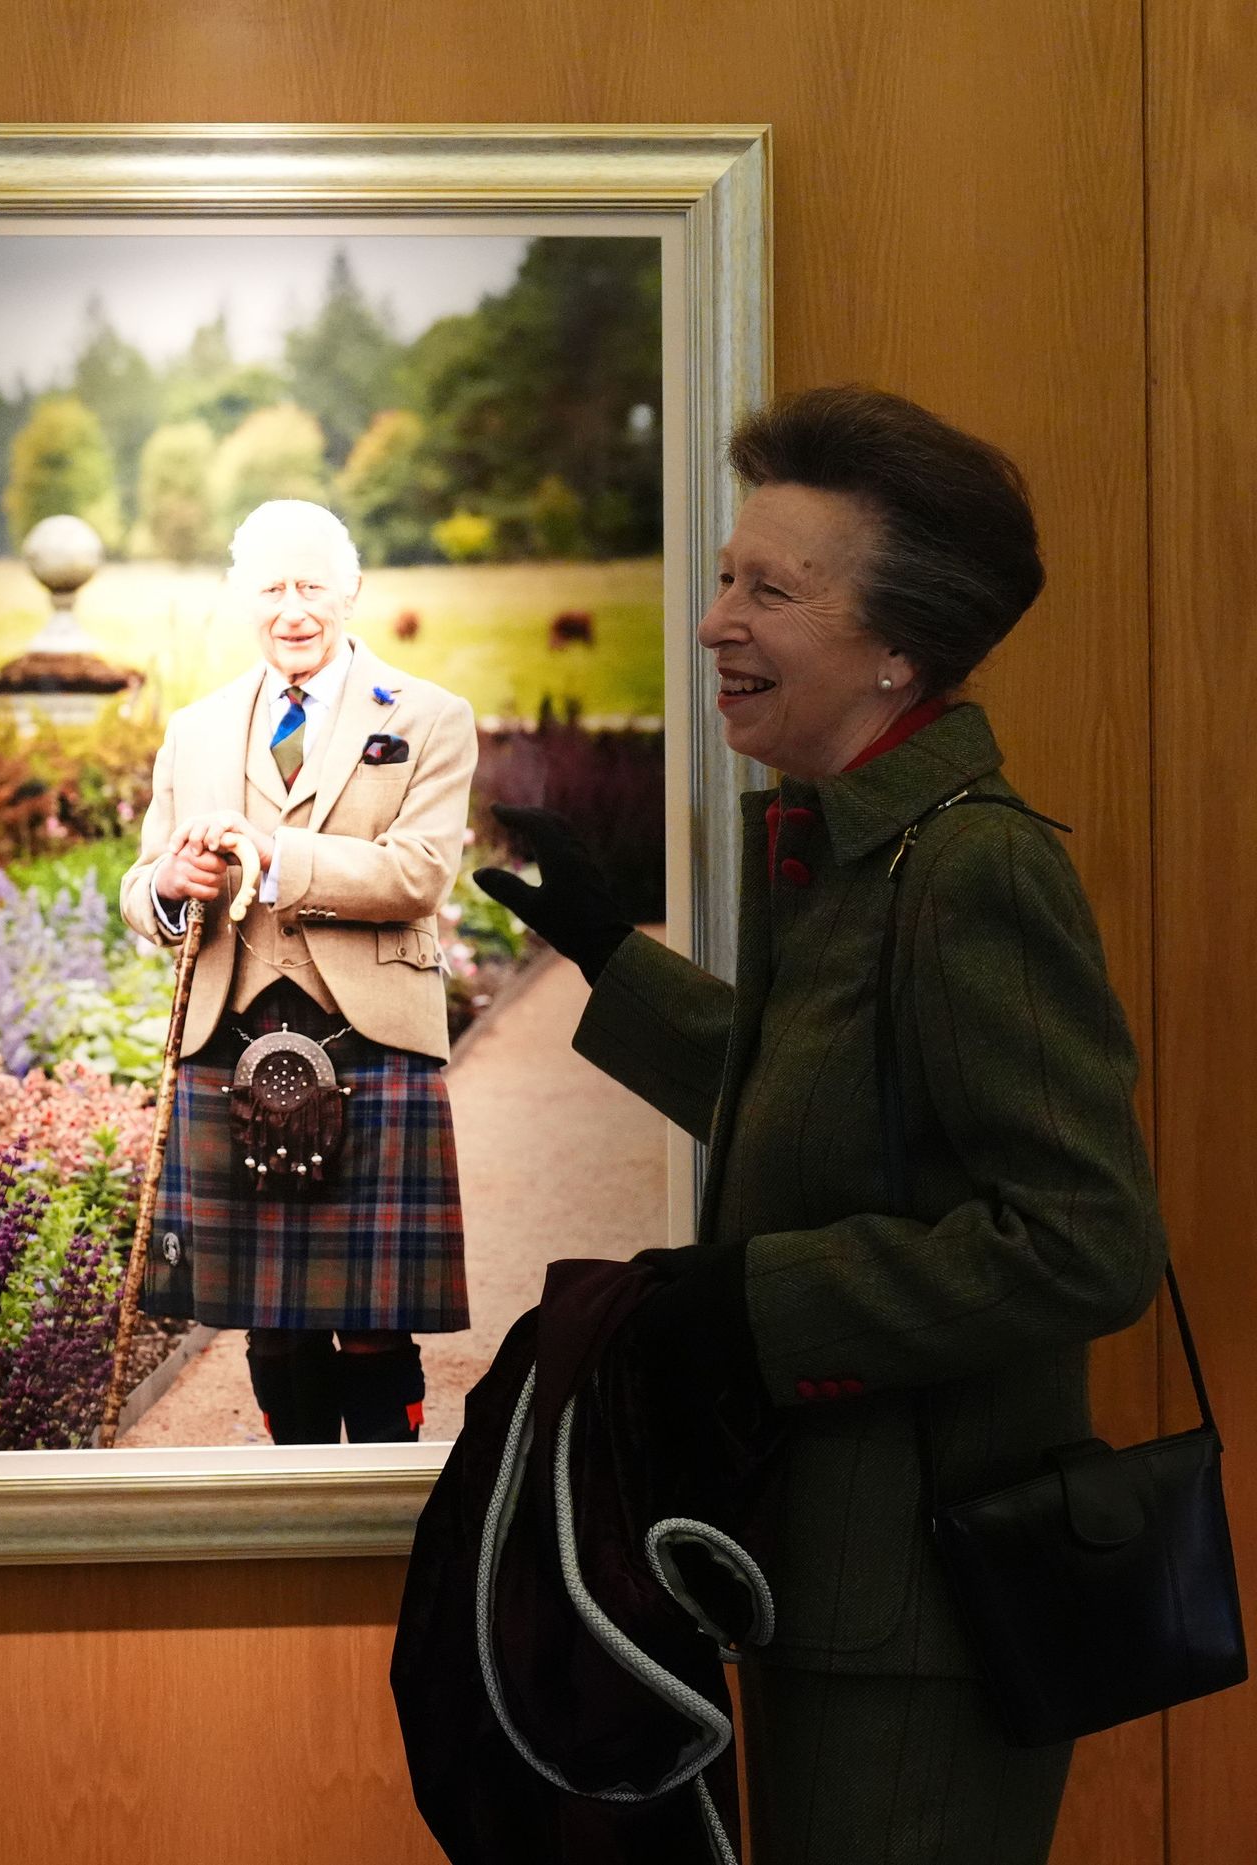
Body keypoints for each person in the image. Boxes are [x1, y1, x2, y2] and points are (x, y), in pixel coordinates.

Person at [476, 387, 1167, 1864]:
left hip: (929, 1621)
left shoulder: (971, 867)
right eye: (726, 577)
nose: (718, 621)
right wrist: (613, 958)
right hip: (834, 1586)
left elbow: (1087, 1242)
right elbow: (819, 1101)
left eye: (771, 591)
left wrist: (755, 1305)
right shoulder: (861, 845)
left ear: (899, 650)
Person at [120, 499, 477, 1445]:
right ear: (246, 600)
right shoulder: (195, 729)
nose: (295, 610)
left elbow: (420, 874)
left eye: (313, 585)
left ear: (351, 591)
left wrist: (273, 856)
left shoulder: (432, 718)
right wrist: (169, 880)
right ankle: (296, 1493)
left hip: (373, 1040)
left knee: (369, 1323)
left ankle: (384, 1507)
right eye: (273, 588)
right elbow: (143, 881)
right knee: (272, 1329)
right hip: (225, 1042)